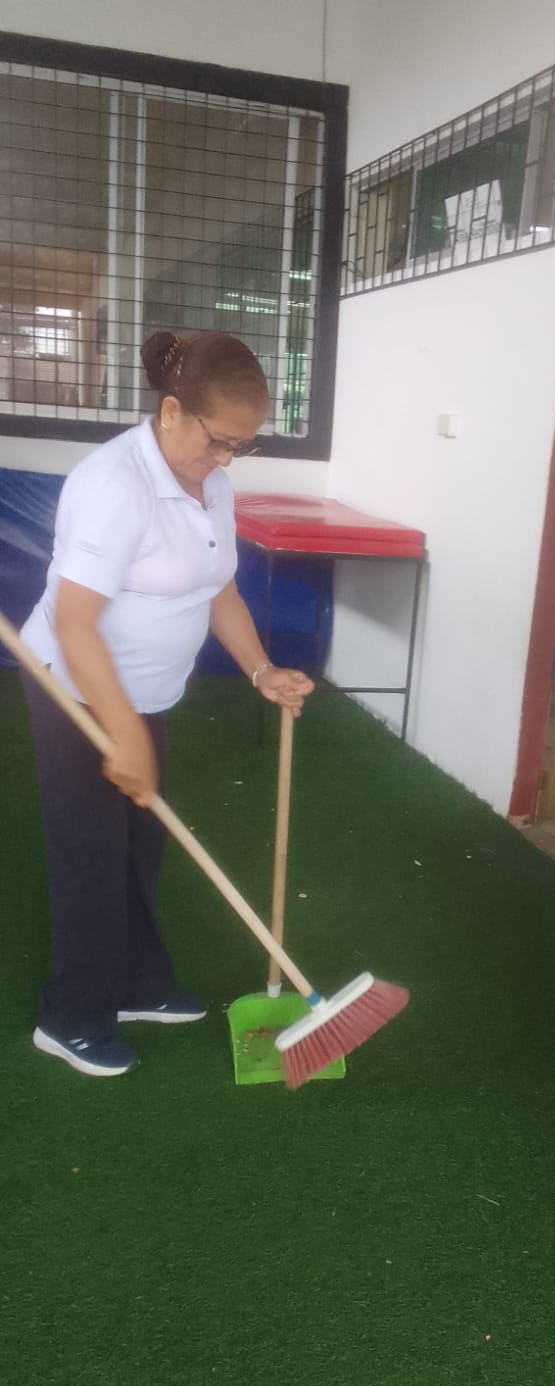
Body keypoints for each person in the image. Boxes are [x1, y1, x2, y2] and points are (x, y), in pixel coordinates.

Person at [20, 329, 313, 1079]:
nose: (226, 460)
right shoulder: (113, 485)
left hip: (144, 691)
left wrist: (259, 670)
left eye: (240, 447)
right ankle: (71, 1017)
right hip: (75, 687)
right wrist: (122, 733)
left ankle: (137, 985)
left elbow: (218, 587)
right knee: (90, 854)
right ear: (173, 411)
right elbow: (76, 622)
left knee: (140, 845)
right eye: (219, 441)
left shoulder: (209, 480)